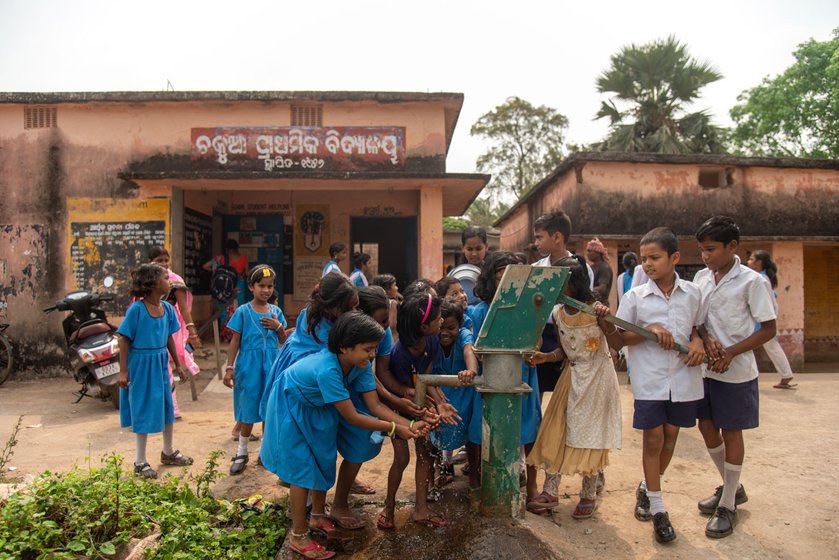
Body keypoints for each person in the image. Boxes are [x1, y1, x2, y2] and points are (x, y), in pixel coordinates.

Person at [261, 312, 425, 560]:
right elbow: (353, 417)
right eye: (367, 349)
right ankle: (299, 534)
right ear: (345, 347)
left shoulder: (359, 364)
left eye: (374, 349)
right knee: (303, 470)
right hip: (291, 405)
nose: (372, 355)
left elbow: (375, 406)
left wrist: (411, 424)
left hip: (318, 408)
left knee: (323, 459)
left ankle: (317, 517)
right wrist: (394, 429)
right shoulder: (327, 370)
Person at [610, 228, 706, 543]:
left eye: (655, 257)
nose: (648, 264)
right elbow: (618, 337)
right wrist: (648, 329)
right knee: (653, 440)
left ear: (674, 258)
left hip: (683, 379)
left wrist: (696, 342)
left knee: (670, 440)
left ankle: (646, 488)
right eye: (644, 259)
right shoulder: (635, 297)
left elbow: (700, 328)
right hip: (649, 379)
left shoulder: (693, 293)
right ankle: (659, 509)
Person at [694, 216, 777, 539]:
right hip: (705, 368)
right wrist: (703, 337)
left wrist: (729, 352)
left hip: (736, 371)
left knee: (731, 431)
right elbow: (698, 320)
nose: (705, 256)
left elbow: (768, 329)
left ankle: (728, 504)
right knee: (706, 426)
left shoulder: (752, 282)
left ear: (732, 247)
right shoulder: (702, 277)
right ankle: (732, 486)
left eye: (711, 249)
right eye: (702, 250)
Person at [526, 256, 622, 520]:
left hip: (598, 377)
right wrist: (546, 357)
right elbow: (564, 352)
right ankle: (550, 490)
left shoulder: (595, 309)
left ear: (573, 283)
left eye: (558, 282)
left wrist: (607, 319)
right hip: (572, 376)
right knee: (556, 430)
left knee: (590, 435)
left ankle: (588, 494)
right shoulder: (557, 313)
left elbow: (618, 342)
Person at [330, 288, 433, 529]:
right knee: (330, 446)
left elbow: (375, 373)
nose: (385, 326)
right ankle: (332, 503)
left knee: (359, 444)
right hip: (345, 393)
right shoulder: (339, 346)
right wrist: (398, 411)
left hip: (370, 393)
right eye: (380, 321)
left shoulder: (378, 339)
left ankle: (344, 492)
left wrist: (398, 403)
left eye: (387, 320)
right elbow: (370, 386)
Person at [378, 293, 458, 530]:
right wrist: (419, 402)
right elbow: (404, 387)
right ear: (423, 326)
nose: (441, 321)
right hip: (401, 407)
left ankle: (421, 510)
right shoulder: (401, 353)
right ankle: (389, 506)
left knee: (426, 454)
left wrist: (437, 401)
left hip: (421, 401)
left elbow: (426, 378)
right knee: (401, 458)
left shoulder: (431, 342)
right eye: (438, 318)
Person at [530, 210, 593, 508]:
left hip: (581, 345)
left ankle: (592, 476)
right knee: (546, 407)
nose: (536, 241)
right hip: (550, 333)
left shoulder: (580, 268)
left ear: (557, 237)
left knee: (581, 418)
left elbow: (586, 305)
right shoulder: (536, 268)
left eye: (540, 236)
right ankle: (542, 469)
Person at [470, 251, 542, 507]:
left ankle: (532, 487)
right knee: (487, 429)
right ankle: (486, 481)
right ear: (491, 277)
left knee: (528, 429)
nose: (507, 277)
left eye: (513, 271)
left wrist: (533, 348)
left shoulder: (528, 306)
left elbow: (537, 338)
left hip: (524, 374)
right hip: (491, 377)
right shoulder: (480, 311)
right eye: (501, 272)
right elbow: (477, 348)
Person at [116, 264, 193, 479]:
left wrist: (177, 364)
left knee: (167, 406)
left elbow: (169, 337)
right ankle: (140, 461)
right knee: (142, 408)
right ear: (152, 283)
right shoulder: (137, 310)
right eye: (166, 278)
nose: (170, 283)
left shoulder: (167, 309)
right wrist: (123, 371)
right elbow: (124, 338)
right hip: (141, 364)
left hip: (160, 362)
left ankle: (168, 451)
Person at [258, 272, 358, 421]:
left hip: (299, 363)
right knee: (289, 414)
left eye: (356, 307)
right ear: (331, 306)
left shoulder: (318, 313)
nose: (354, 313)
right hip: (298, 370)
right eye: (349, 308)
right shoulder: (325, 333)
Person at [222, 265, 287, 475]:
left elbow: (284, 341)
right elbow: (235, 341)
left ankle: (264, 454)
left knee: (270, 409)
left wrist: (278, 327)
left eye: (270, 286)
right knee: (247, 408)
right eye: (261, 286)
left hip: (272, 365)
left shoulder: (276, 312)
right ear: (251, 287)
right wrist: (229, 367)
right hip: (248, 367)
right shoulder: (243, 312)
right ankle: (242, 452)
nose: (266, 291)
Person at [148, 247, 201, 420]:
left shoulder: (174, 281)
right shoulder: (144, 281)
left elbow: (184, 308)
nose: (163, 264)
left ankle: (172, 409)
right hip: (148, 330)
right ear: (150, 262)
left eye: (165, 260)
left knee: (166, 367)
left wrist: (192, 332)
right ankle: (156, 409)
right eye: (159, 260)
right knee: (151, 369)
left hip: (169, 329)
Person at [432, 299, 479, 488]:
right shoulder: (431, 339)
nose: (444, 332)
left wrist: (471, 371)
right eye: (441, 327)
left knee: (471, 434)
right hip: (438, 392)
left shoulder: (464, 335)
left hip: (463, 392)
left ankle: (474, 472)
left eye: (451, 328)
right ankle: (439, 470)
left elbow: (469, 351)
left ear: (460, 325)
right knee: (434, 434)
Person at [747, 250, 796, 389]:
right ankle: (786, 375)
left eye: (751, 259)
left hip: (761, 319)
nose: (749, 262)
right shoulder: (765, 277)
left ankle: (786, 375)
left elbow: (767, 301)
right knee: (771, 347)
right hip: (763, 317)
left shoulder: (760, 278)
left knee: (769, 347)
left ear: (758, 262)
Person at [202, 239, 250, 336]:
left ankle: (225, 334)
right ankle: (237, 333)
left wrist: (214, 270)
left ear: (227, 249)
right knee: (239, 310)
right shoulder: (243, 259)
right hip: (239, 288)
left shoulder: (221, 259)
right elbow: (248, 273)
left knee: (224, 310)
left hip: (224, 289)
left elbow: (205, 266)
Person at [452, 226, 489, 305]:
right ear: (463, 248)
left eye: (478, 248)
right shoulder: (454, 274)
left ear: (486, 247)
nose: (474, 254)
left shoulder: (491, 272)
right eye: (469, 249)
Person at [586, 237, 613, 306]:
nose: (587, 254)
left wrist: (586, 290)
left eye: (589, 251)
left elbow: (602, 289)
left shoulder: (604, 267)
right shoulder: (591, 267)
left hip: (601, 306)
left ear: (597, 252)